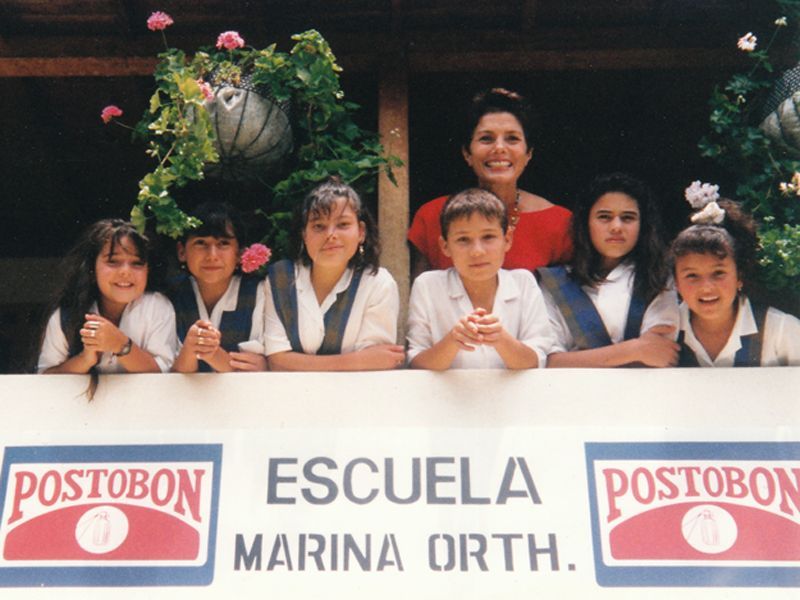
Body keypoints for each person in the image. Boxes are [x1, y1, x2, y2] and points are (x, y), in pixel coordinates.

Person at [407, 87, 572, 277]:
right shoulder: (432, 216)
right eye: (486, 138)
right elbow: (419, 299)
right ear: (467, 153)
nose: (499, 148)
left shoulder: (559, 223)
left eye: (512, 138)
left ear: (528, 154)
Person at [538, 173, 680, 367]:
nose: (616, 227)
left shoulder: (658, 277)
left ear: (642, 226)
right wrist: (635, 349)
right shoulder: (555, 283)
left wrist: (581, 358)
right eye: (604, 217)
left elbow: (660, 353)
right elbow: (550, 362)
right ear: (586, 223)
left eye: (627, 218)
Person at [263, 178, 404, 370]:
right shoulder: (280, 279)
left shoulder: (378, 283)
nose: (331, 234)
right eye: (319, 226)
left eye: (343, 224)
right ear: (304, 234)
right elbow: (276, 361)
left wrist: (297, 362)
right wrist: (356, 361)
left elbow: (376, 366)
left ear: (361, 232)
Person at [407, 188, 553, 369]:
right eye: (463, 240)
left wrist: (501, 339)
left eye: (488, 237)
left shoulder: (523, 283)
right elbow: (416, 363)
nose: (477, 251)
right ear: (445, 246)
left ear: (507, 239)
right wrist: (453, 340)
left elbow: (535, 360)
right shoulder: (428, 286)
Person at [36, 219, 177, 384]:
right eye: (113, 262)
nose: (125, 272)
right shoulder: (66, 314)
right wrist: (85, 360)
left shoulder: (157, 307)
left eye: (137, 263)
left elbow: (165, 376)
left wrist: (121, 345)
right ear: (91, 268)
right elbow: (44, 380)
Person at [671, 191, 800, 366]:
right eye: (692, 275)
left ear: (739, 276)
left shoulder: (781, 331)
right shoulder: (664, 331)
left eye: (718, 273)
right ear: (676, 283)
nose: (707, 288)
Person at [170, 202, 267, 373]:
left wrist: (208, 351)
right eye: (201, 243)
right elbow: (172, 373)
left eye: (223, 243)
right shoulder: (173, 297)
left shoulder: (259, 294)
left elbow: (254, 371)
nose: (212, 255)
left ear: (239, 253)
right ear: (181, 251)